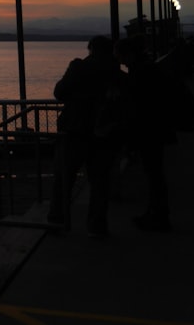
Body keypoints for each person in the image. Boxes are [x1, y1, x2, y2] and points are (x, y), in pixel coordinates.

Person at [47, 35, 127, 237]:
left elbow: (60, 92)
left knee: (64, 179)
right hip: (104, 134)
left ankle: (57, 222)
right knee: (100, 182)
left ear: (91, 49)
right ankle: (97, 225)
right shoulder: (117, 75)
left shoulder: (78, 67)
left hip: (74, 131)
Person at [117, 36, 175, 232]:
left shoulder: (140, 73)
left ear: (129, 54)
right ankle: (156, 213)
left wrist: (130, 140)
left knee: (154, 175)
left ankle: (158, 216)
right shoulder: (148, 69)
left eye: (121, 56)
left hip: (149, 132)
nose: (120, 61)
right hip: (155, 130)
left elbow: (137, 109)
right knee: (154, 175)